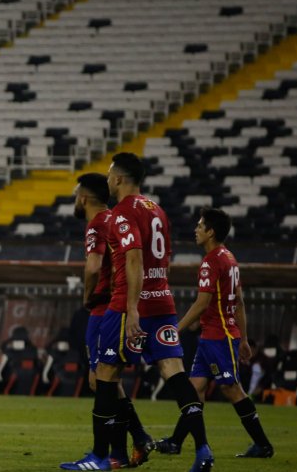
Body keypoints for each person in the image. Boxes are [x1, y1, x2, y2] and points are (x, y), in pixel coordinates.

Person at [62, 152, 214, 472]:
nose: (107, 180)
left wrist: (131, 309)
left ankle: (100, 457)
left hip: (130, 304)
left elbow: (133, 259)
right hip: (163, 301)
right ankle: (202, 450)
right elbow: (163, 257)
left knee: (106, 375)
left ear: (118, 179)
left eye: (109, 175)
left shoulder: (121, 213)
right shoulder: (156, 209)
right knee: (175, 373)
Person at [155, 208, 274, 459]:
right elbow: (238, 301)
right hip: (215, 335)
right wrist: (242, 337)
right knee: (195, 387)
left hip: (219, 337)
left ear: (210, 231)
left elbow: (201, 302)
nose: (196, 230)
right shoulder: (229, 257)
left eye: (200, 226)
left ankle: (263, 445)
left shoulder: (211, 261)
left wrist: (176, 329)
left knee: (231, 389)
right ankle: (176, 442)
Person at [61, 173, 153, 471]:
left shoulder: (97, 223)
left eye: (77, 194)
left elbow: (93, 266)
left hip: (102, 310)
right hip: (115, 307)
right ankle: (128, 445)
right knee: (110, 382)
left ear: (84, 198)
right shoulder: (114, 219)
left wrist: (87, 296)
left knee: (100, 380)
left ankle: (114, 449)